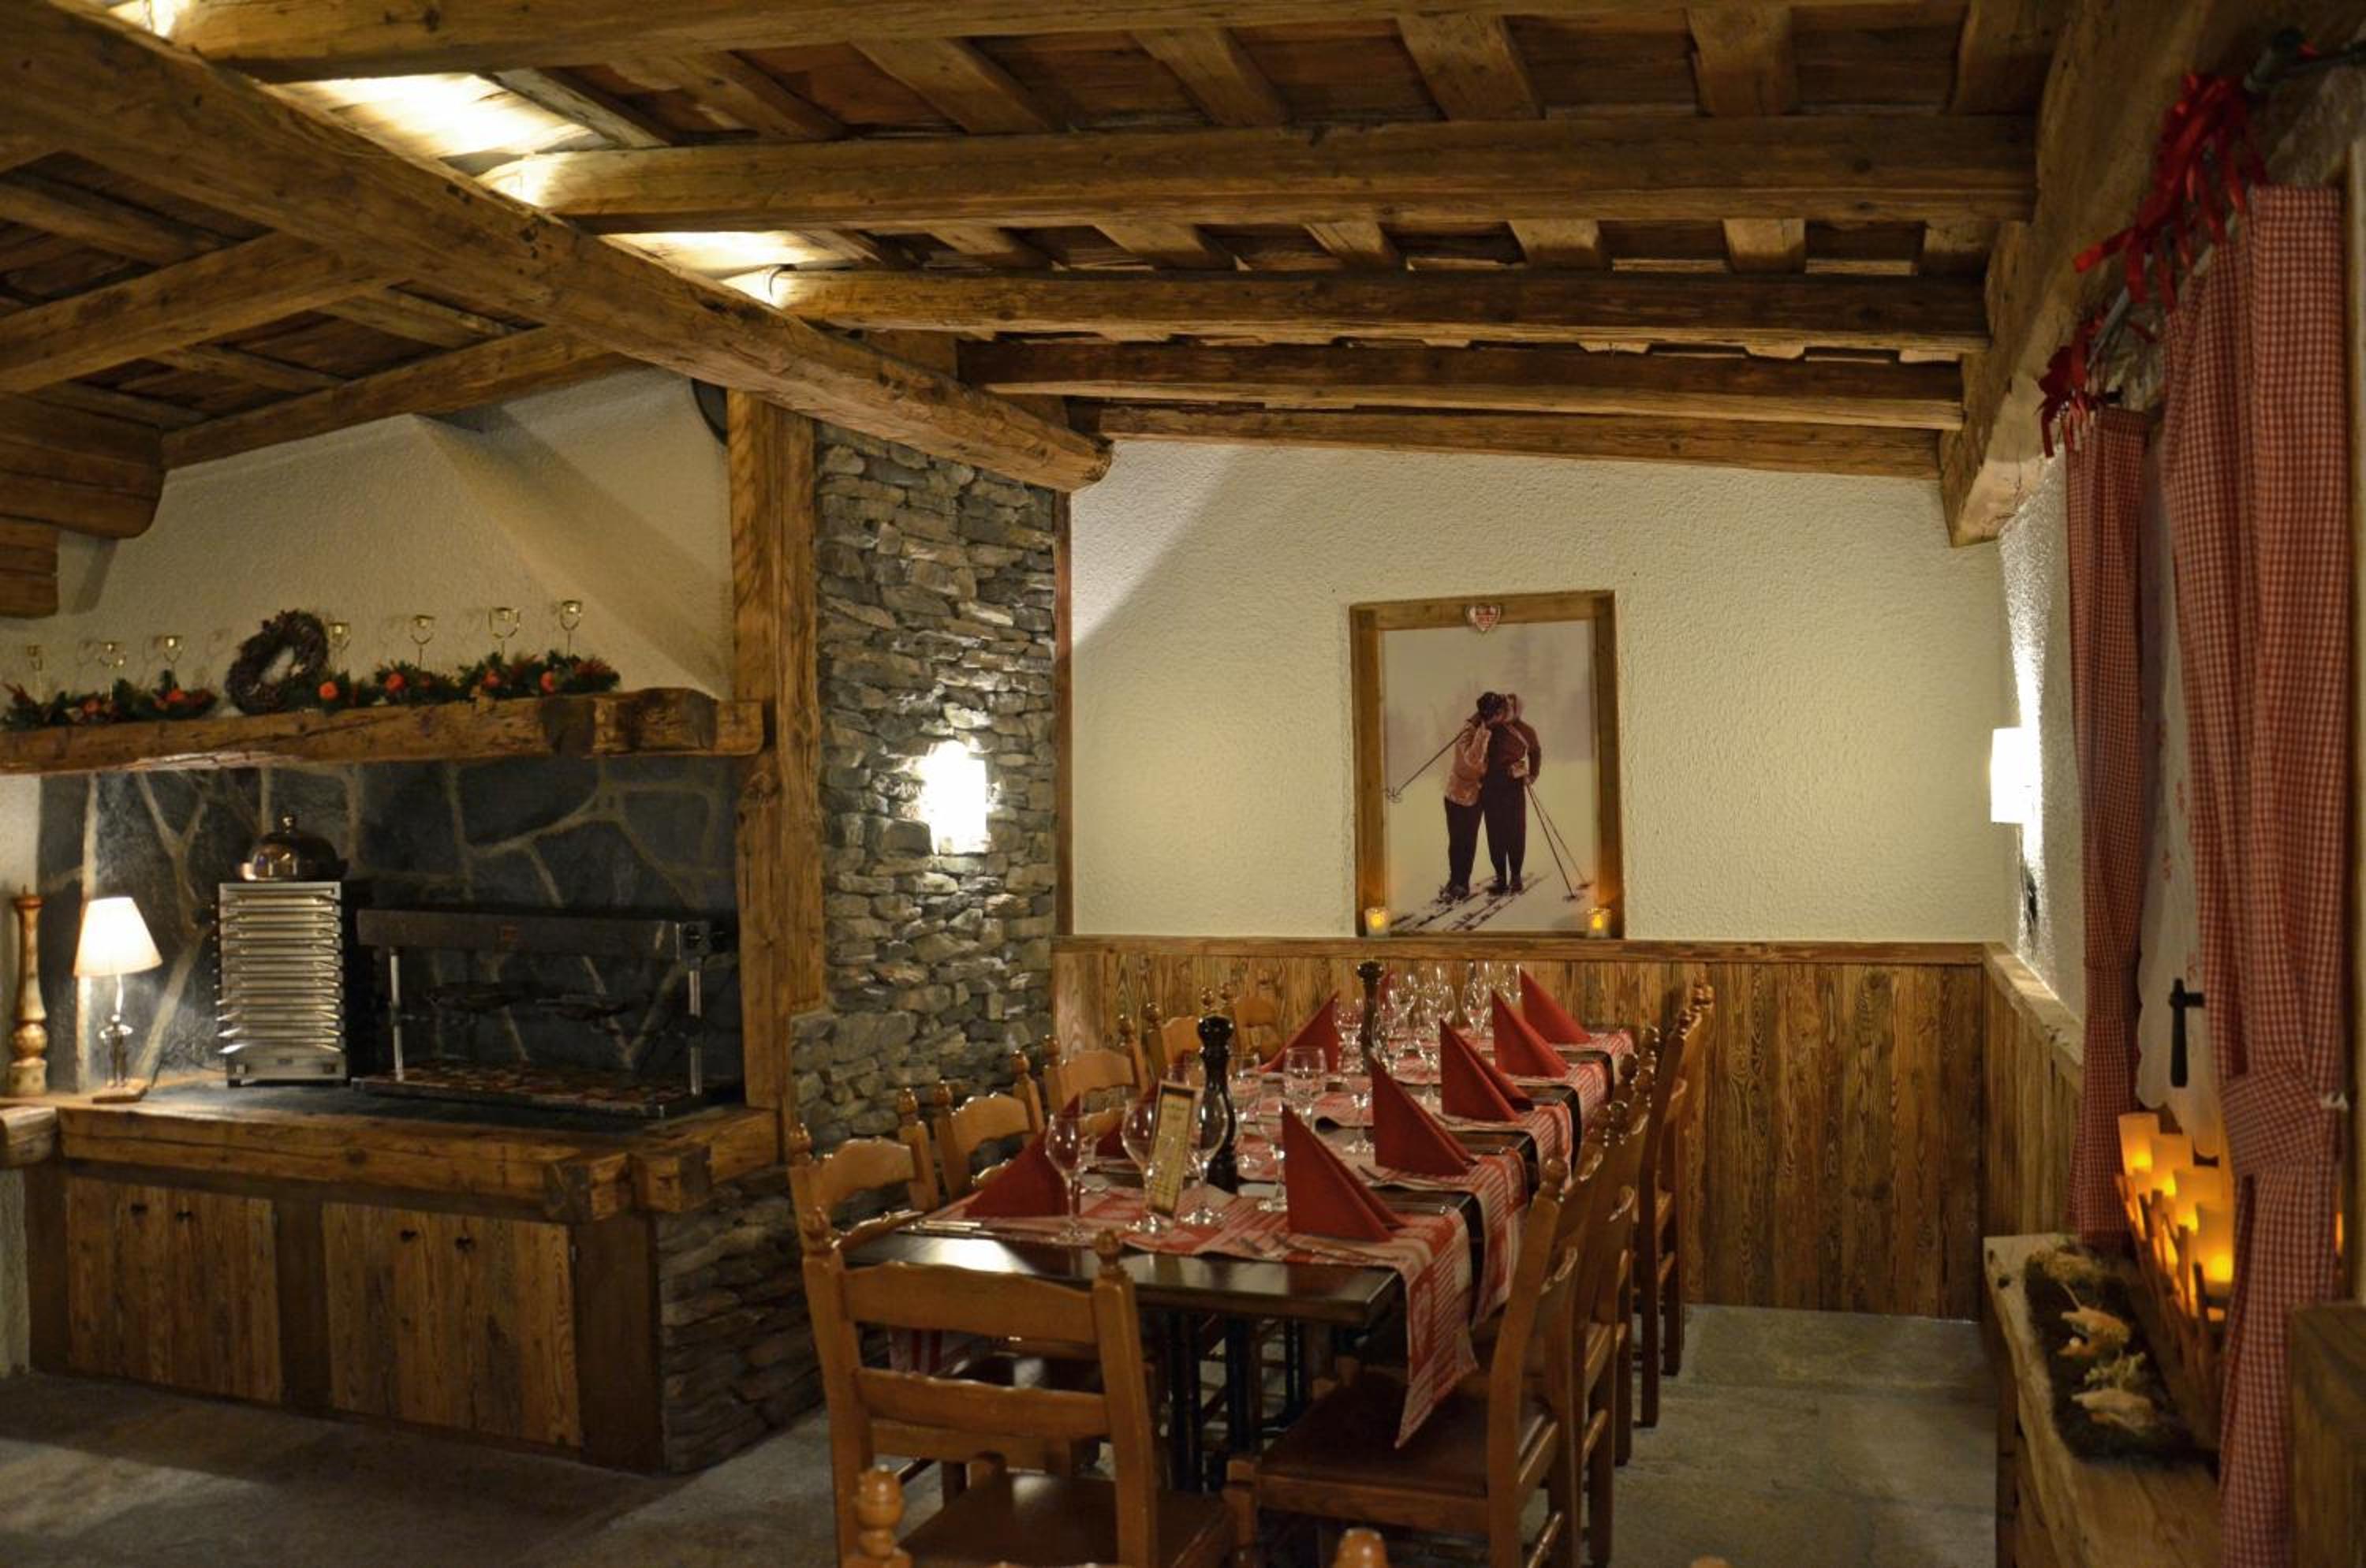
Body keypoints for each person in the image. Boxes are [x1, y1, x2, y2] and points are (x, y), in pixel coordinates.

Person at [1438, 694, 1499, 901]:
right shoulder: (1468, 733)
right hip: (1456, 796)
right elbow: (1473, 761)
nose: (1499, 717)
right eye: (1496, 713)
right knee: (1457, 842)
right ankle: (1455, 880)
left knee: (1469, 842)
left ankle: (1462, 882)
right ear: (1489, 714)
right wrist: (1484, 730)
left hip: (1475, 797)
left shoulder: (1487, 730)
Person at [1480, 693, 1542, 895]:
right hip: (1491, 784)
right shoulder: (1492, 726)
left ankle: (1516, 877)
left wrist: (1532, 774)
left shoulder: (1526, 730)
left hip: (1513, 784)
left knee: (1515, 831)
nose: (1507, 709)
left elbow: (1535, 751)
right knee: (1494, 832)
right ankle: (1500, 877)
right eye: (1505, 705)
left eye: (1511, 706)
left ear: (1518, 709)